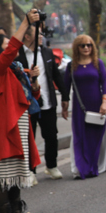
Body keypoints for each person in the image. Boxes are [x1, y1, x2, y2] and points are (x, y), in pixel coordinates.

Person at [0, 9, 44, 213]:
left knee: (18, 170)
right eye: (7, 44)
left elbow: (32, 97)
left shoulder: (15, 70)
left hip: (18, 125)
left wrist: (34, 82)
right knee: (3, 174)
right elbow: (12, 49)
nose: (12, 46)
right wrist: (26, 22)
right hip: (4, 128)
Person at [61, 35, 106, 178]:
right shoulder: (71, 66)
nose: (86, 48)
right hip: (79, 107)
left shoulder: (98, 63)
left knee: (96, 136)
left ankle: (96, 165)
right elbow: (66, 88)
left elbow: (105, 85)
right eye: (82, 45)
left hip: (97, 104)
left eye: (89, 45)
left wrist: (104, 103)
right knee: (79, 136)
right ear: (77, 47)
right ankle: (79, 168)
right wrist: (64, 107)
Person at [19, 30, 66, 179]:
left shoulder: (47, 52)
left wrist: (65, 96)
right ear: (27, 36)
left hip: (47, 101)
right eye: (37, 34)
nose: (41, 36)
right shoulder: (18, 54)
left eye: (41, 34)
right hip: (28, 104)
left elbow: (56, 76)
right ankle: (30, 171)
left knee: (51, 136)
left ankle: (51, 166)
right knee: (28, 138)